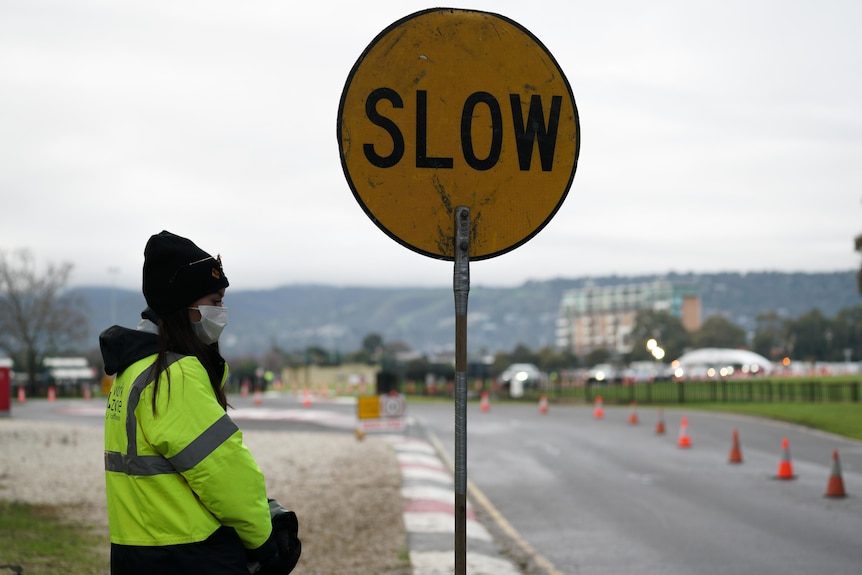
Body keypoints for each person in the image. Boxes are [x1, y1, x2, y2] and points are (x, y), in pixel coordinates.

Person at [100, 230, 300, 575]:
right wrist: (264, 541)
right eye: (215, 302)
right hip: (190, 554)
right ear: (185, 306)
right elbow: (225, 474)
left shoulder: (132, 370)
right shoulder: (175, 375)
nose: (222, 312)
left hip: (136, 552)